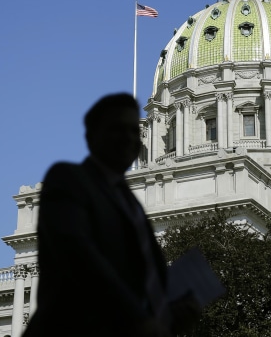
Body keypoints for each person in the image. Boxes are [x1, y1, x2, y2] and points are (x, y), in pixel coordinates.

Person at [24, 93, 201, 337]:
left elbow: (148, 280)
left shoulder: (133, 205)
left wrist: (173, 315)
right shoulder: (67, 179)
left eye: (133, 131)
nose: (128, 138)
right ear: (91, 136)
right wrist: (139, 319)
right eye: (118, 129)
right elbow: (79, 256)